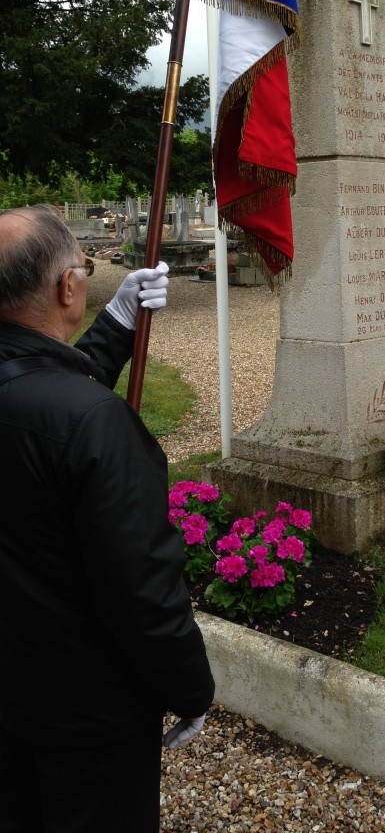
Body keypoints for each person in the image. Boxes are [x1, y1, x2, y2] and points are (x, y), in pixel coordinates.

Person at [0, 205, 214, 833]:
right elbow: (139, 584)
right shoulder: (95, 423)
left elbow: (36, 380)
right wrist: (189, 688)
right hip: (84, 713)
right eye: (85, 271)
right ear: (69, 287)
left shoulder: (58, 405)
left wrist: (116, 322)